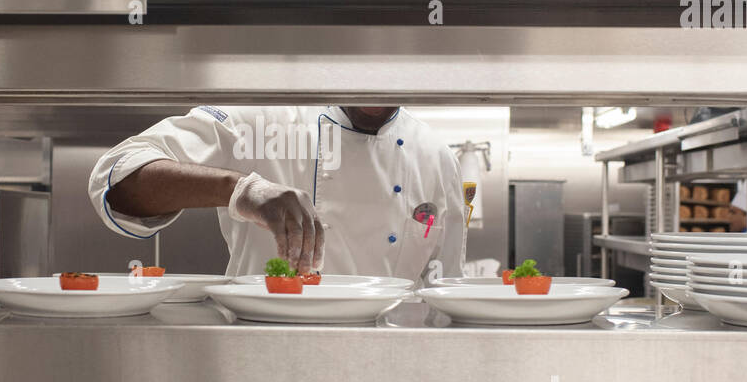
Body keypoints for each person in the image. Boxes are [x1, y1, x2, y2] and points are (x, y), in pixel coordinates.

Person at [88, 105, 466, 281]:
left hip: (385, 371)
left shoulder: (435, 156)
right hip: (263, 354)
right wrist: (240, 189)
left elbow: (444, 292)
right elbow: (118, 179)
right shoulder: (263, 120)